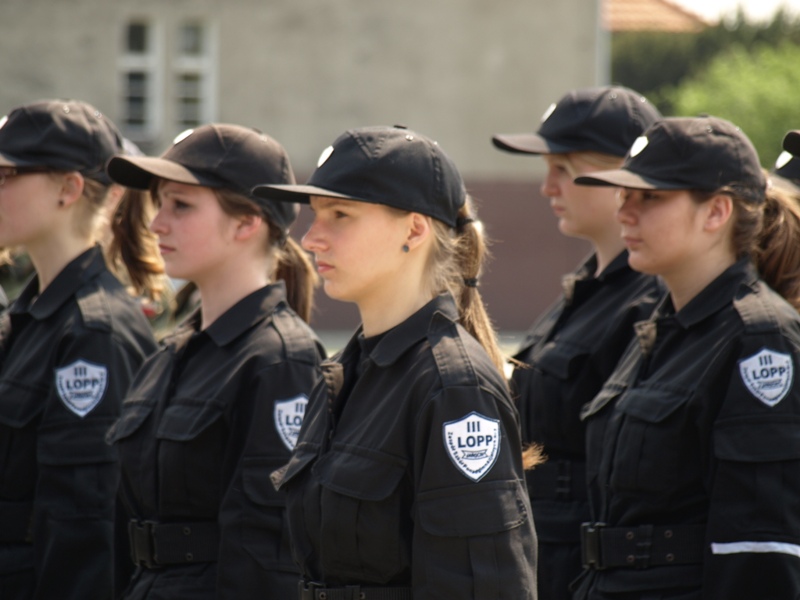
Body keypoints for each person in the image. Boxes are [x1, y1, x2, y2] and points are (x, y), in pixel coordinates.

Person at [257, 125, 538, 600]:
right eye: (315, 215)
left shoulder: (453, 387)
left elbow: (483, 587)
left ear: (413, 230)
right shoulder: (346, 374)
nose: (311, 238)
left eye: (340, 215)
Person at [572, 116, 800, 599]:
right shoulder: (662, 327)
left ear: (716, 212)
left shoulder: (759, 339)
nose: (624, 212)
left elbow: (758, 551)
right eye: (624, 195)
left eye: (650, 197)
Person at [105, 123, 325, 599]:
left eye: (181, 205)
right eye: (160, 204)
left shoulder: (280, 360)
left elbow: (267, 555)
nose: (157, 224)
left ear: (247, 223)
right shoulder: (169, 356)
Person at [491, 86, 664, 600]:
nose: (547, 186)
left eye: (563, 169)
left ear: (622, 174)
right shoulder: (584, 293)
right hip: (548, 559)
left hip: (585, 570)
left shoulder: (649, 302)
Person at [0, 99, 161, 598]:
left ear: (68, 189)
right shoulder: (26, 320)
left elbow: (88, 532)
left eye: (6, 175)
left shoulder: (94, 333)